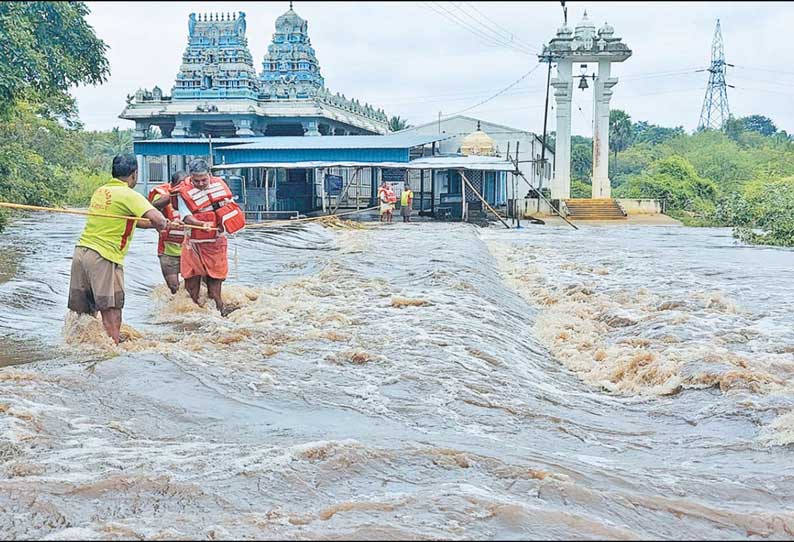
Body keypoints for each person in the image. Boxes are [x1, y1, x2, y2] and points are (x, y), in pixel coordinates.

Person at [68, 154, 169, 344]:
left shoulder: (101, 191)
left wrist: (163, 224)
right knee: (112, 309)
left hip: (81, 253)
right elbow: (159, 220)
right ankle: (112, 354)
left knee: (84, 312)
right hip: (104, 257)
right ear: (134, 174)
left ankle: (79, 349)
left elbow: (131, 221)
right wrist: (165, 224)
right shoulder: (130, 195)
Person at [176, 158, 246, 317]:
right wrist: (200, 224)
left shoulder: (219, 186)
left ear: (209, 175)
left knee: (215, 285)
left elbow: (230, 209)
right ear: (190, 177)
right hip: (193, 244)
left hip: (216, 243)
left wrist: (225, 223)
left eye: (204, 180)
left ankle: (220, 313)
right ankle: (194, 315)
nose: (201, 184)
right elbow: (185, 216)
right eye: (196, 181)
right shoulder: (183, 192)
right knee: (191, 285)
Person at [148, 170, 188, 294]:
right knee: (174, 287)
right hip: (168, 251)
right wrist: (174, 195)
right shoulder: (162, 194)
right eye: (180, 185)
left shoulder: (194, 193)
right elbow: (153, 206)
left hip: (190, 249)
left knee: (195, 287)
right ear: (172, 185)